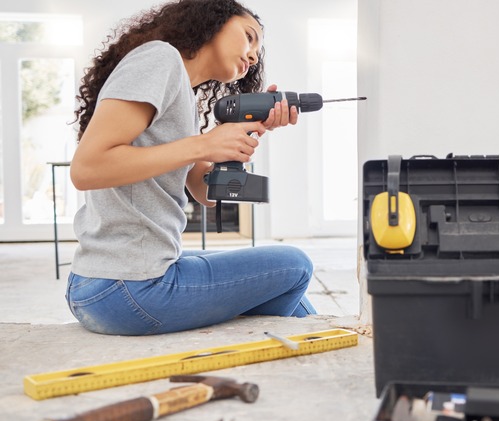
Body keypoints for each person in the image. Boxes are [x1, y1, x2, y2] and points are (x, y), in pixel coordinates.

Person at [67, 0, 316, 336]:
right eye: (249, 37)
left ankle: (313, 335)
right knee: (295, 265)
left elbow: (205, 193)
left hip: (111, 284)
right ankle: (310, 340)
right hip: (128, 286)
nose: (254, 55)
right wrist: (205, 143)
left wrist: (243, 137)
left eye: (258, 49)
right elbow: (86, 169)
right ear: (212, 22)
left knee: (270, 280)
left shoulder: (183, 94)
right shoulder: (160, 57)